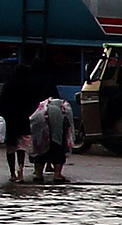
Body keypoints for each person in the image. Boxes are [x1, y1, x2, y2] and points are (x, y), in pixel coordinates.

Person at [2, 49, 57, 182]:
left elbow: (2, 102)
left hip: (10, 122)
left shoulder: (8, 85)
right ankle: (20, 171)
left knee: (11, 148)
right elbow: (35, 103)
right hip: (24, 121)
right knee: (21, 148)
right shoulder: (29, 86)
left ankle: (12, 174)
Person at [29, 92, 76, 182]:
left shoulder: (41, 108)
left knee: (41, 151)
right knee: (58, 149)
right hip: (57, 132)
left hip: (41, 131)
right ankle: (57, 175)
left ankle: (38, 174)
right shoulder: (62, 108)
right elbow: (69, 124)